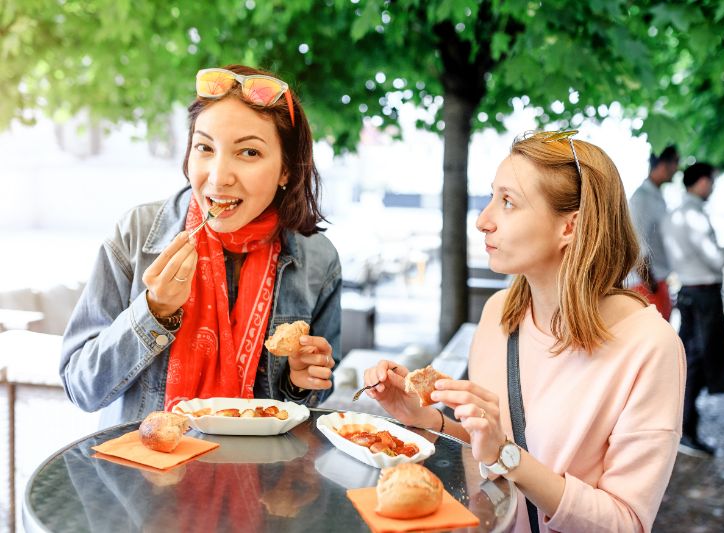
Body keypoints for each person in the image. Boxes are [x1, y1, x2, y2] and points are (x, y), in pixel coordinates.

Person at [364, 130, 686, 532]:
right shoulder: (499, 314)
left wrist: (507, 454)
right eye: (491, 198)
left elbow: (626, 522)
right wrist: (427, 418)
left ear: (569, 227)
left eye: (508, 202)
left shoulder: (650, 346)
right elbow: (490, 448)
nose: (483, 221)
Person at [60, 65, 341, 428]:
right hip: (145, 477)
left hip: (257, 479)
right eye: (205, 147)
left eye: (249, 153)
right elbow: (81, 387)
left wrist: (300, 385)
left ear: (287, 169)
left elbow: (309, 402)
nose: (219, 177)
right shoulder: (135, 235)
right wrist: (153, 311)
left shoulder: (319, 262)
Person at [662, 162, 724, 457]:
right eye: (710, 181)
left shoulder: (673, 215)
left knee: (690, 360)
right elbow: (716, 260)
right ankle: (687, 430)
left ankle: (683, 427)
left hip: (688, 292)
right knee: (700, 362)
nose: (712, 187)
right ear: (700, 181)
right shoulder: (694, 216)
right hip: (704, 296)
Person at [627, 145, 680, 321]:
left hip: (655, 282)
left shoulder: (656, 196)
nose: (677, 168)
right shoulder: (642, 198)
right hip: (645, 285)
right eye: (676, 162)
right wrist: (651, 285)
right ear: (664, 164)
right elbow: (636, 244)